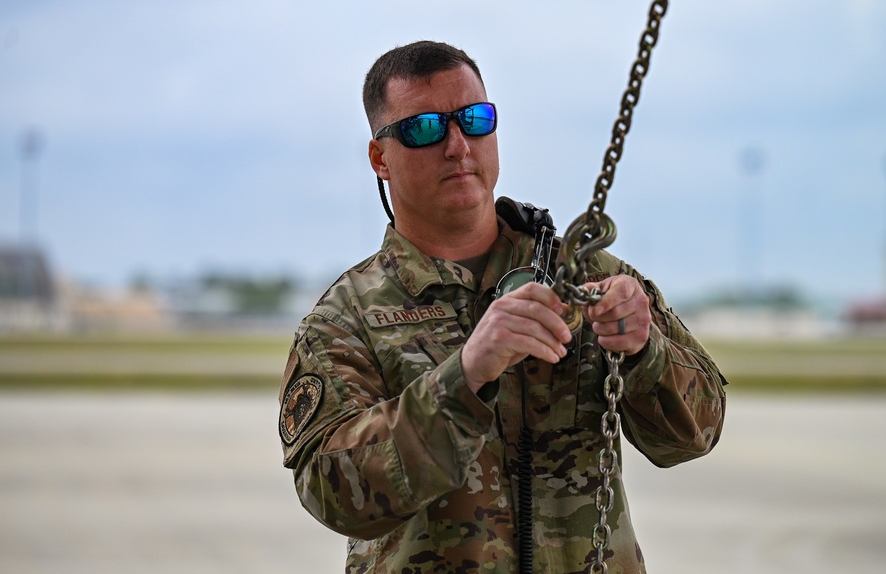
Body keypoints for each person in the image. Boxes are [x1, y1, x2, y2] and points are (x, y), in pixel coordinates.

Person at [279, 40, 727, 573]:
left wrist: (643, 349)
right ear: (380, 157)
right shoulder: (346, 321)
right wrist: (464, 377)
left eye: (474, 119)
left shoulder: (588, 275)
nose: (457, 145)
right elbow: (332, 493)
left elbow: (696, 433)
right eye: (422, 128)